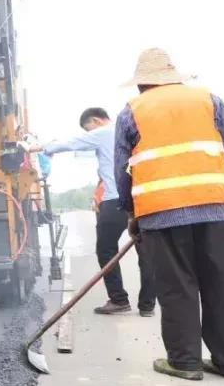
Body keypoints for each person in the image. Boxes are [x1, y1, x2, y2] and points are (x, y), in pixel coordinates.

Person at [115, 48, 224, 381]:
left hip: (161, 214)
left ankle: (185, 362)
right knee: (222, 284)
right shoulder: (209, 100)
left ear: (142, 85)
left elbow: (122, 173)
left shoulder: (132, 112)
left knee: (177, 286)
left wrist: (132, 215)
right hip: (214, 209)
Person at [31, 107, 155, 316]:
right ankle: (147, 305)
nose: (89, 133)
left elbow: (71, 143)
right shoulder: (134, 130)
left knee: (106, 249)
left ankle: (119, 299)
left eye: (89, 128)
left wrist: (43, 148)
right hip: (143, 198)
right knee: (147, 252)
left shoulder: (104, 132)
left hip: (116, 200)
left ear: (96, 121)